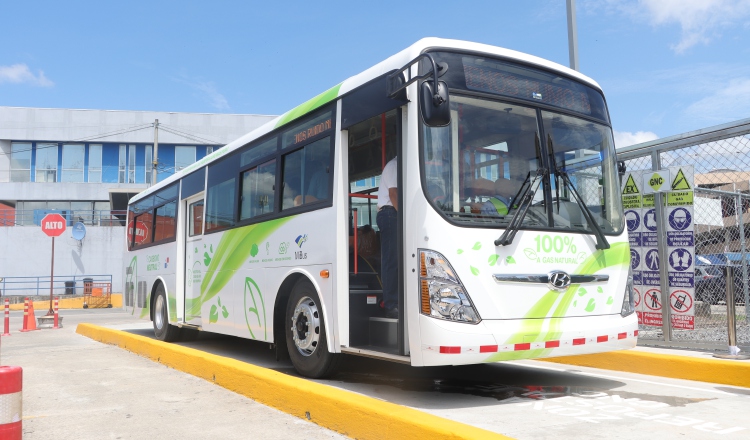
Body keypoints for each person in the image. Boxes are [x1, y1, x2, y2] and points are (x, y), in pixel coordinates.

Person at [377, 156, 399, 319]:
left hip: (392, 214)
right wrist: (406, 218)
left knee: (396, 261)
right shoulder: (394, 165)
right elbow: (393, 194)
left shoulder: (399, 166)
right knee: (391, 261)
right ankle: (391, 304)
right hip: (390, 214)